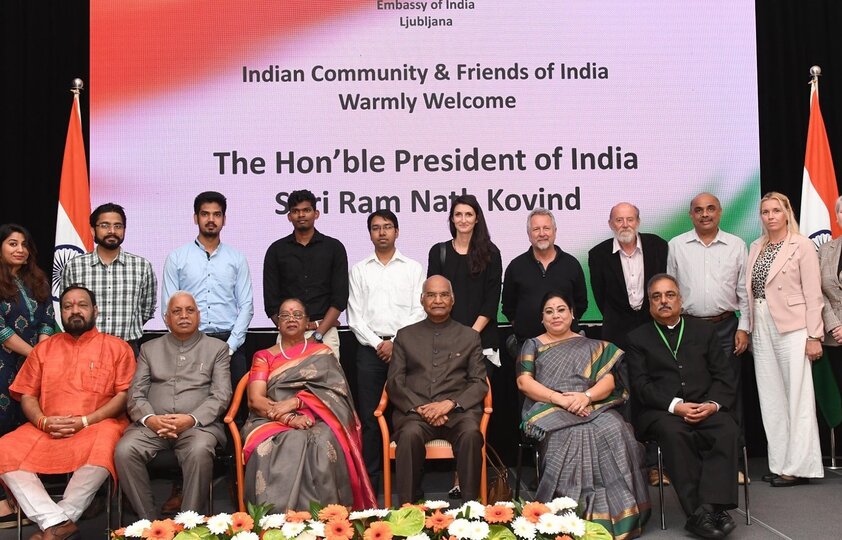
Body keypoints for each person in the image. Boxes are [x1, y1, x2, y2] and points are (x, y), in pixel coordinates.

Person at [0, 285, 135, 540]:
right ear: (60, 312)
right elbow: (27, 394)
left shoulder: (117, 347)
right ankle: (57, 522)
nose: (75, 311)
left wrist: (85, 421)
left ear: (95, 310)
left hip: (97, 425)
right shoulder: (44, 349)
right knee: (4, 448)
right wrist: (42, 421)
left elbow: (123, 395)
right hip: (47, 427)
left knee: (106, 443)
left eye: (82, 305)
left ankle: (55, 524)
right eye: (68, 306)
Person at [517, 291, 650, 538]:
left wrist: (585, 397)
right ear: (542, 318)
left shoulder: (594, 346)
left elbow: (608, 383)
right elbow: (525, 383)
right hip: (550, 408)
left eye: (561, 310)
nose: (556, 316)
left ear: (572, 314)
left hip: (593, 405)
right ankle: (567, 518)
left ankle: (621, 516)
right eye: (549, 312)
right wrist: (561, 399)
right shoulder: (533, 345)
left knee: (616, 429)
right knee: (571, 435)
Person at [626, 274, 739, 540]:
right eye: (656, 297)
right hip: (661, 412)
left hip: (704, 406)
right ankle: (701, 513)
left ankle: (710, 507)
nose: (663, 301)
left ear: (680, 299)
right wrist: (676, 406)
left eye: (669, 295)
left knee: (726, 429)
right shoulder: (637, 337)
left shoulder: (704, 331)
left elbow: (724, 375)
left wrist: (711, 405)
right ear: (650, 304)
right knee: (675, 434)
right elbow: (641, 386)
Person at [241, 298, 375, 511]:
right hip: (270, 418)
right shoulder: (264, 356)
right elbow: (255, 400)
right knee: (286, 442)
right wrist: (288, 418)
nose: (291, 319)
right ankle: (275, 516)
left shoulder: (322, 353)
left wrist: (297, 402)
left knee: (322, 441)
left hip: (319, 417)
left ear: (307, 323)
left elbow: (336, 394)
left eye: (297, 315)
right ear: (277, 323)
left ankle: (328, 516)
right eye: (285, 315)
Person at [115, 292, 231, 519]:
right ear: (166, 318)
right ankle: (149, 523)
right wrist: (150, 419)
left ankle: (189, 523)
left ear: (199, 315)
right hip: (152, 427)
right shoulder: (149, 348)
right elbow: (136, 393)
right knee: (124, 451)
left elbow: (221, 394)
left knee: (199, 451)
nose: (184, 316)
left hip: (198, 427)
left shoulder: (217, 348)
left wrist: (191, 419)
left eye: (189, 310)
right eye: (176, 311)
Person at [667, 193, 751, 483]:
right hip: (688, 328)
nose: (705, 214)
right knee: (691, 392)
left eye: (710, 209)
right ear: (691, 215)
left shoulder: (737, 245)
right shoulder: (676, 245)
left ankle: (735, 465)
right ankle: (696, 464)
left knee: (728, 394)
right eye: (699, 210)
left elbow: (744, 291)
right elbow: (670, 292)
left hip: (726, 327)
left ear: (720, 212)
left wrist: (744, 327)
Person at [386, 275, 488, 504]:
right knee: (409, 436)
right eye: (431, 295)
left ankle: (471, 510)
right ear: (422, 300)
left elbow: (479, 382)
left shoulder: (469, 336)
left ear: (453, 299)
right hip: (416, 415)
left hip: (458, 413)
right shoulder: (405, 335)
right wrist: (422, 408)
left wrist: (449, 404)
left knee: (471, 434)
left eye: (444, 295)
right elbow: (395, 382)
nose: (438, 300)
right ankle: (407, 508)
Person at [746, 191, 824, 486]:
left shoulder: (801, 245)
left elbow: (814, 294)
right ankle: (780, 462)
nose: (770, 216)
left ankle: (800, 466)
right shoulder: (756, 246)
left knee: (798, 397)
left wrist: (814, 335)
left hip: (794, 325)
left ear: (787, 213)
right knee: (771, 397)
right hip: (761, 323)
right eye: (765, 212)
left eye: (776, 210)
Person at [347, 209, 425, 485]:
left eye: (387, 227)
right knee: (370, 416)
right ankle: (372, 481)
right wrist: (379, 344)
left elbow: (419, 311)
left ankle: (409, 481)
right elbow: (354, 317)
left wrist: (395, 343)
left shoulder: (413, 268)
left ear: (397, 231)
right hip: (370, 350)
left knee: (410, 414)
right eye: (376, 228)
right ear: (370, 234)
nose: (382, 232)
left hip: (407, 349)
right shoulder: (359, 270)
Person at [162, 191, 253, 396]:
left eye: (217, 214)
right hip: (189, 342)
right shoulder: (177, 257)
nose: (211, 220)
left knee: (235, 405)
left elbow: (247, 305)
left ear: (224, 219)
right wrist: (185, 342)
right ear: (196, 218)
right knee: (190, 401)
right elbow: (168, 307)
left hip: (229, 342)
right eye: (205, 214)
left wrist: (231, 346)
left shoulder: (237, 258)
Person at [0, 224, 56, 528]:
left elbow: (47, 319)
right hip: (4, 365)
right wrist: (35, 355)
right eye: (12, 243)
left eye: (24, 244)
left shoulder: (37, 279)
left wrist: (41, 356)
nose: (19, 249)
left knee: (25, 429)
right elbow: (2, 331)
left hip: (35, 367)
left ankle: (25, 498)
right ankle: (1, 501)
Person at [62, 203, 157, 355]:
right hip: (84, 349)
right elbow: (66, 307)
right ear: (93, 230)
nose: (112, 231)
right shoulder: (74, 266)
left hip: (127, 348)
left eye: (118, 226)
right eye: (105, 225)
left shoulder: (142, 266)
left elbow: (146, 310)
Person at [263, 189, 348, 358]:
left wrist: (318, 334)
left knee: (327, 377)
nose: (301, 215)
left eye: (306, 210)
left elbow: (339, 299)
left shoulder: (334, 248)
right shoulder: (276, 250)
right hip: (288, 336)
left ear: (316, 213)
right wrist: (289, 331)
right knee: (286, 377)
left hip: (324, 334)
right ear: (289, 216)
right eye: (296, 211)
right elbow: (271, 302)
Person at [427, 194, 503, 371]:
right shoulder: (438, 252)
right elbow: (434, 298)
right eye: (458, 214)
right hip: (445, 340)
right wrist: (452, 336)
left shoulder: (491, 253)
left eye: (468, 214)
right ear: (452, 219)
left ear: (477, 219)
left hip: (481, 342)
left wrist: (469, 336)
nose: (463, 220)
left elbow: (491, 301)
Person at [502, 208, 588, 350]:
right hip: (527, 346)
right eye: (536, 229)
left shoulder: (571, 264)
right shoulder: (516, 266)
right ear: (529, 234)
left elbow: (581, 303)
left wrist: (562, 327)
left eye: (546, 228)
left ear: (555, 231)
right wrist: (523, 328)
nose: (542, 233)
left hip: (567, 346)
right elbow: (508, 307)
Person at [588, 202, 668, 351]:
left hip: (654, 327)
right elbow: (600, 295)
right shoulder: (598, 254)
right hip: (616, 332)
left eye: (630, 219)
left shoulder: (658, 246)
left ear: (638, 222)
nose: (625, 225)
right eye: (619, 220)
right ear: (610, 224)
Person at [818, 195, 842, 416]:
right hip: (835, 337)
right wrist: (834, 325)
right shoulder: (825, 250)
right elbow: (817, 292)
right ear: (837, 217)